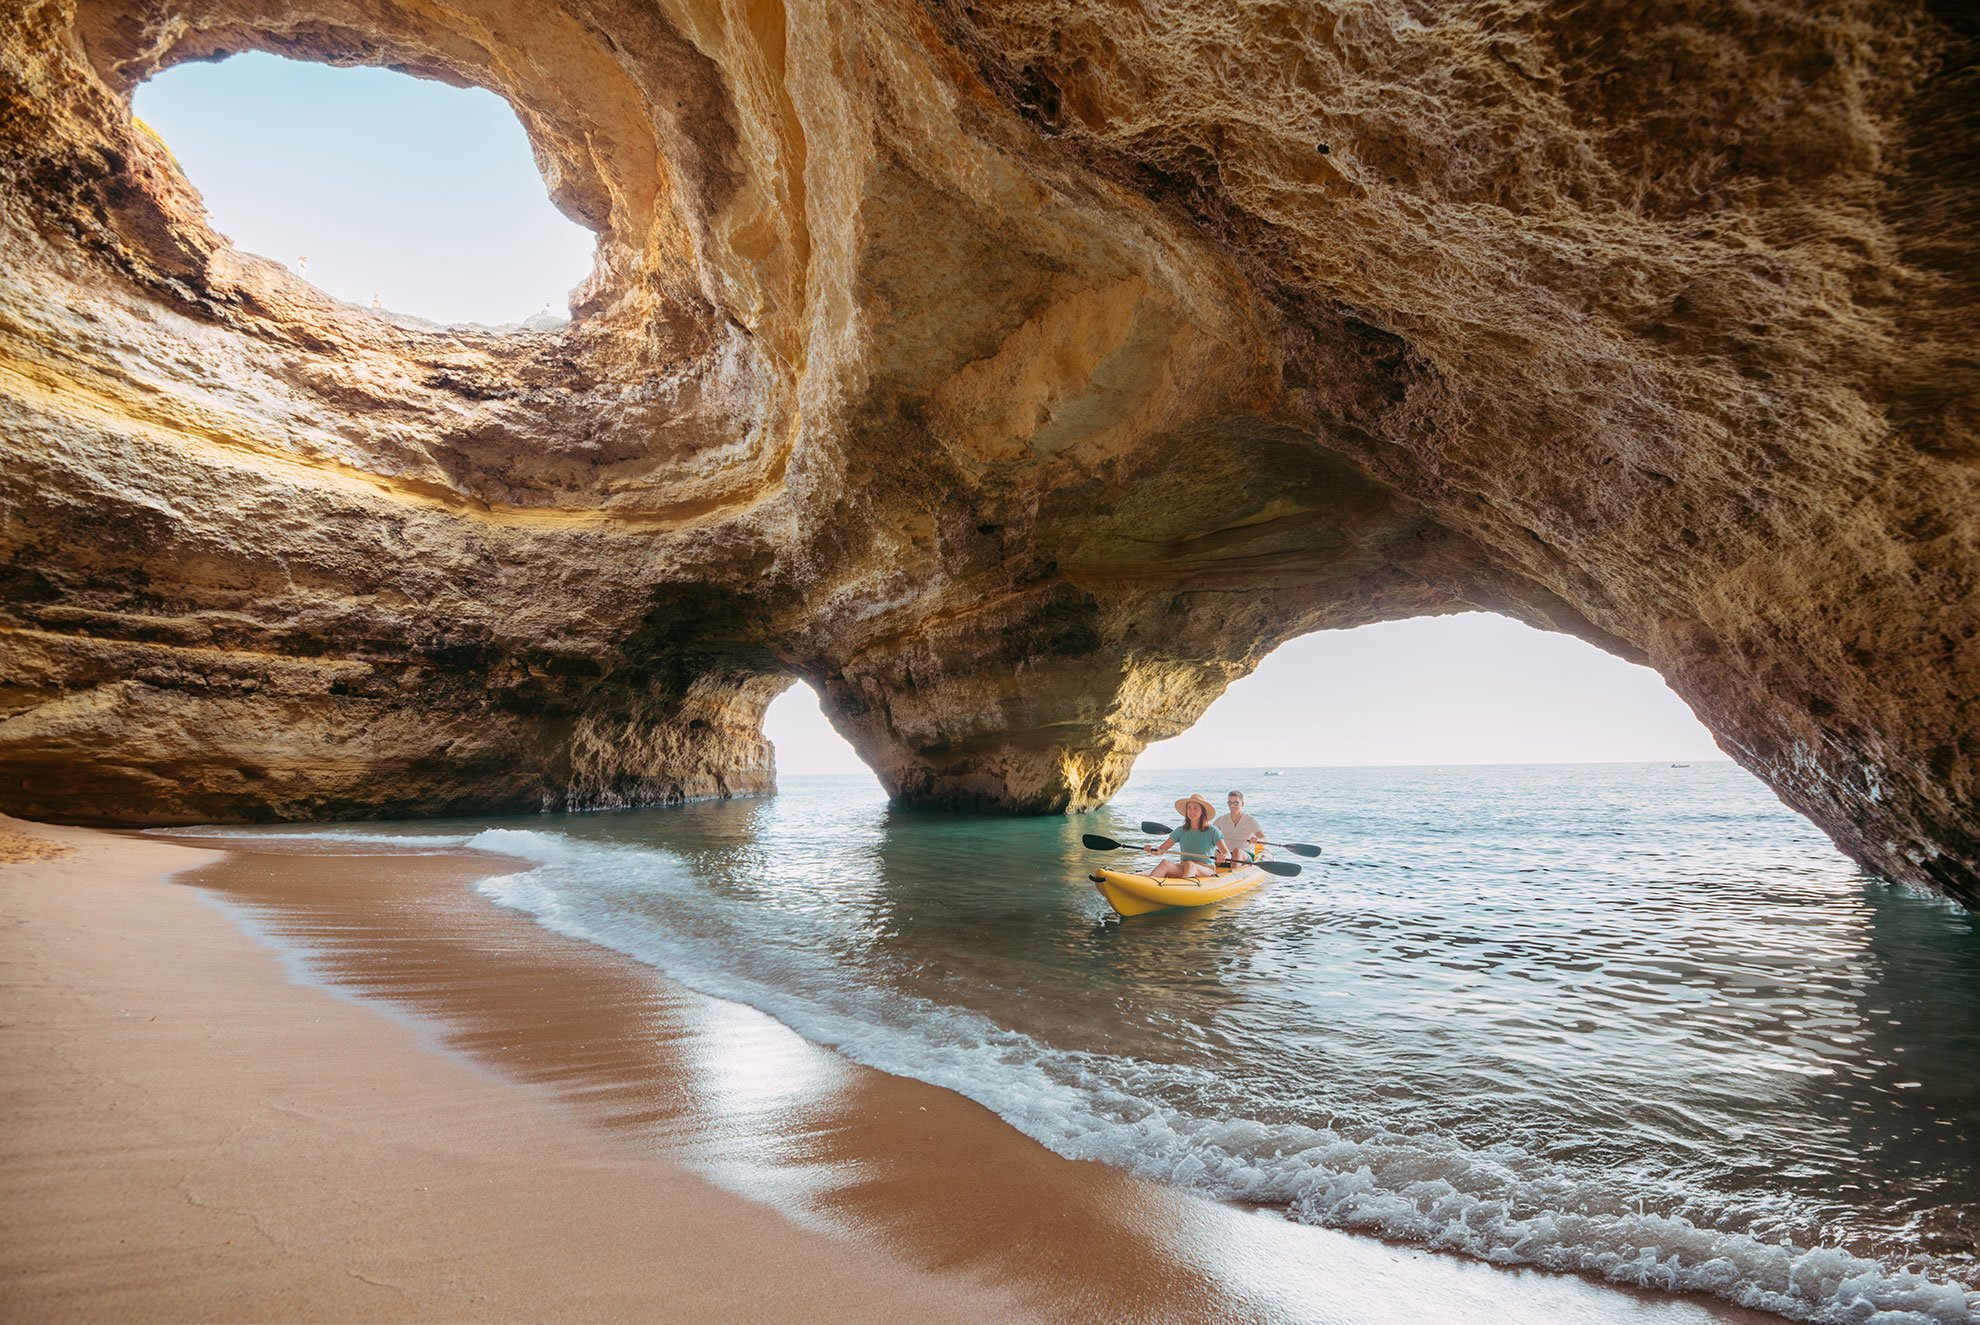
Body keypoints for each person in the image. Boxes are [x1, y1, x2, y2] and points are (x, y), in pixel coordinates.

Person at [1146, 794, 1224, 880]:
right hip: (1184, 867)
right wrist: (1152, 850)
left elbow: (1227, 853)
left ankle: (1183, 889)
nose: (1192, 811)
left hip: (1206, 869)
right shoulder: (1180, 830)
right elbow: (1161, 849)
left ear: (1202, 812)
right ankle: (1147, 884)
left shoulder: (1213, 831)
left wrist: (1223, 857)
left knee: (1190, 865)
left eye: (1196, 808)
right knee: (1165, 863)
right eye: (1189, 808)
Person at [1215, 791, 1265, 861]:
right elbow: (1209, 833)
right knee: (1214, 852)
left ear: (1242, 804)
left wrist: (1258, 840)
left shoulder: (1250, 820)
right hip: (1227, 854)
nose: (1232, 806)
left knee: (1237, 851)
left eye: (1236, 803)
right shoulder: (1221, 819)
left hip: (1245, 854)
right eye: (1230, 803)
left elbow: (1263, 837)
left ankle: (1234, 871)